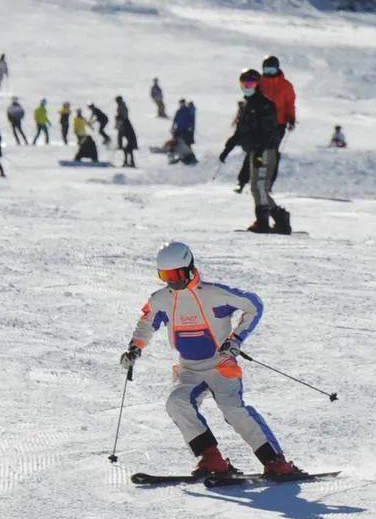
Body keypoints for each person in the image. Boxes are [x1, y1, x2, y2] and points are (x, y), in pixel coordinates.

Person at [120, 241, 300, 477]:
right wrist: (135, 348)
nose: (172, 281)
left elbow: (254, 305)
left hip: (220, 366)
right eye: (165, 275)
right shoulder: (161, 299)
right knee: (176, 403)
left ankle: (276, 462)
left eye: (176, 274)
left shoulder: (215, 294)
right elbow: (146, 323)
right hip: (189, 370)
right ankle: (212, 460)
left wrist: (236, 339)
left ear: (189, 267)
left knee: (233, 410)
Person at [219, 69, 291, 235]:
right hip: (255, 152)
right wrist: (227, 150)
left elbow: (269, 131)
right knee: (256, 187)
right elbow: (240, 132)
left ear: (257, 84)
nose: (247, 86)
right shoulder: (247, 106)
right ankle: (280, 218)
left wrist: (259, 150)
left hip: (264, 151)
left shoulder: (264, 104)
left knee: (258, 186)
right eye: (244, 83)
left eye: (250, 83)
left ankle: (264, 221)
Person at [259, 55, 296, 188]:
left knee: (272, 151)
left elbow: (290, 104)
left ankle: (269, 181)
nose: (269, 73)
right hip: (261, 123)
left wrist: (291, 118)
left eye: (271, 70)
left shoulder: (286, 86)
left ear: (277, 69)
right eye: (266, 70)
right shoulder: (259, 84)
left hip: (278, 124)